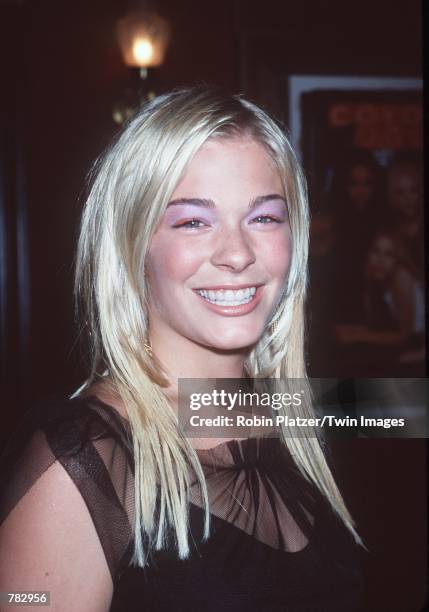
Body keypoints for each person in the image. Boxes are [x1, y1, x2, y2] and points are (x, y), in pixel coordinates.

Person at [0, 87, 363, 611]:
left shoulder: (304, 412)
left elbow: (399, 407)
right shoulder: (84, 461)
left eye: (264, 217)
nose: (237, 254)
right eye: (193, 221)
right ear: (132, 243)